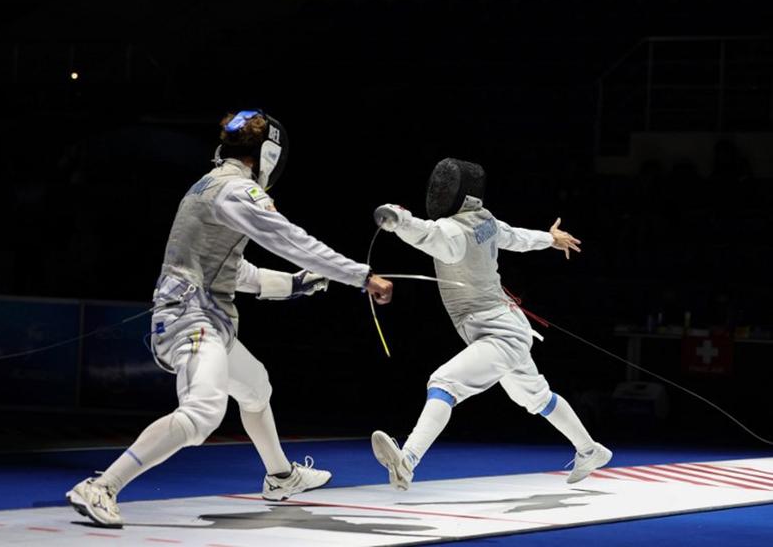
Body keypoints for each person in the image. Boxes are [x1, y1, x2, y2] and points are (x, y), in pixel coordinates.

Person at [67, 110, 393, 527]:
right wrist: (359, 276)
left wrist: (295, 285)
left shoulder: (211, 185)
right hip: (191, 319)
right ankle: (102, 487)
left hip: (205, 318)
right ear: (266, 155)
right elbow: (289, 239)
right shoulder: (236, 191)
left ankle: (280, 476)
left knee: (256, 386)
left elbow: (233, 272)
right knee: (203, 413)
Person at [369, 157, 610, 491]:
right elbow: (515, 237)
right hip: (506, 325)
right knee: (536, 396)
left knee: (444, 382)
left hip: (499, 333)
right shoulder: (484, 220)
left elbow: (423, 233)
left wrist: (395, 218)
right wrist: (548, 238)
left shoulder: (451, 231)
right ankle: (590, 450)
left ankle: (407, 461)